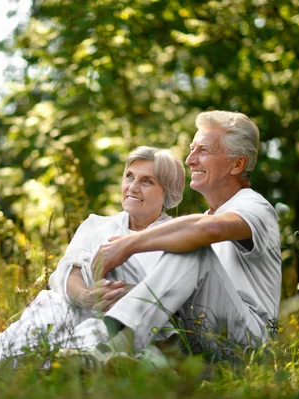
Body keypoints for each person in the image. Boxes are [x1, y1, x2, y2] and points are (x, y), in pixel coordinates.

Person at [0, 146, 185, 367]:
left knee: (96, 335)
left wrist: (127, 293)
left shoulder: (178, 235)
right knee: (51, 302)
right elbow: (68, 273)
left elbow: (176, 295)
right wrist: (85, 295)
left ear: (168, 191)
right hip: (81, 310)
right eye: (129, 176)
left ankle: (16, 367)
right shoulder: (96, 225)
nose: (133, 187)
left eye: (147, 181)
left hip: (133, 327)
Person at [89, 110, 281, 357]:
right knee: (131, 271)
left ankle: (109, 349)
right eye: (192, 149)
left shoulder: (255, 206)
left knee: (192, 245)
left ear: (237, 164)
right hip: (201, 338)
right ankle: (107, 355)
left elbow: (206, 230)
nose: (190, 159)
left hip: (250, 345)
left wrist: (129, 244)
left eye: (203, 150)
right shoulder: (210, 215)